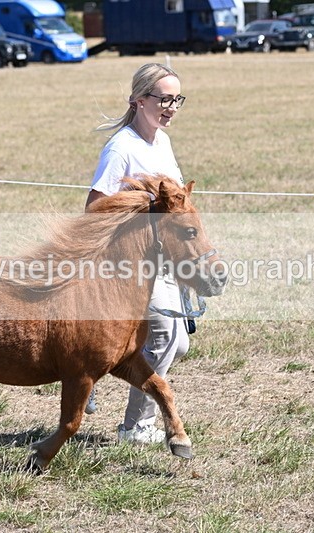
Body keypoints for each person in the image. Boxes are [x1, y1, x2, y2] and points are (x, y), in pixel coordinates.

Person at [85, 63, 190, 445]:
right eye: (164, 98)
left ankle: (93, 365)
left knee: (179, 344)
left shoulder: (161, 140)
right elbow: (93, 208)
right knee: (161, 336)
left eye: (177, 98)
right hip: (133, 263)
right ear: (138, 99)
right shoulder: (120, 149)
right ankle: (137, 427)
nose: (171, 106)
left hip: (166, 257)